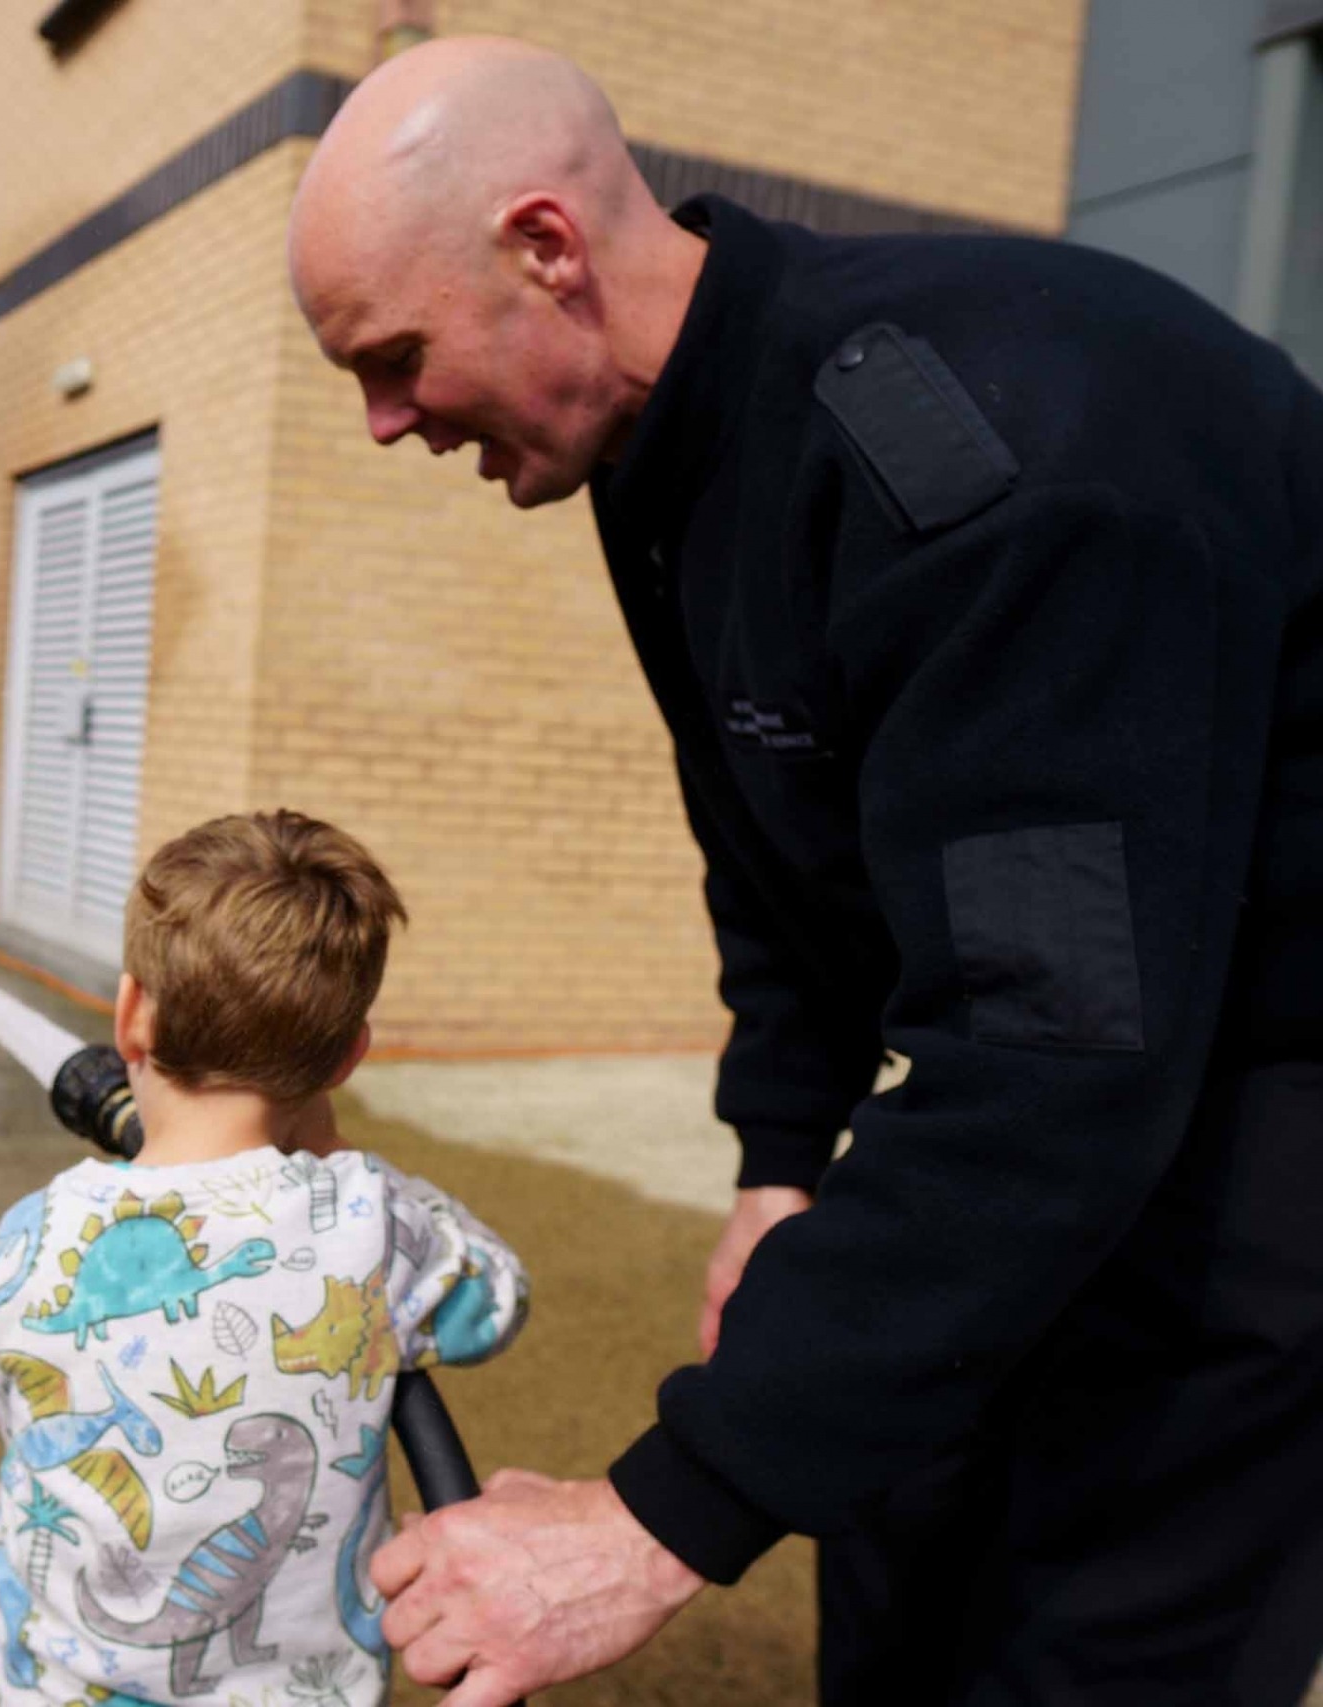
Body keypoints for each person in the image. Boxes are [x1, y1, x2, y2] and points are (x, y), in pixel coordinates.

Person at [284, 33, 1323, 1707]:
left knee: (1104, 1621)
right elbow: (774, 833)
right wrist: (783, 1156)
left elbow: (1052, 1055)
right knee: (898, 1529)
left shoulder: (982, 472)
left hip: (1261, 1090)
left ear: (545, 250)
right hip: (1086, 1045)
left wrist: (650, 1522)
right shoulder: (668, 456)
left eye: (394, 358)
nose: (386, 421)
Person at [0, 810, 528, 1704]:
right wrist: (350, 1162)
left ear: (130, 1015)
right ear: (348, 1056)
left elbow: (19, 1410)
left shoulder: (24, 1237)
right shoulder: (367, 1224)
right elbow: (498, 1298)